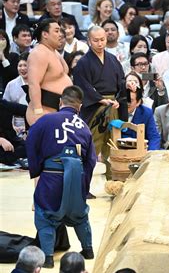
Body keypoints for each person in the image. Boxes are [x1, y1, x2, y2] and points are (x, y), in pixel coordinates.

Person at [26, 86, 96, 268]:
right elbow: (91, 161)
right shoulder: (84, 127)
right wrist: (84, 187)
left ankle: (48, 258)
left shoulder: (46, 120)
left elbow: (31, 141)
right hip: (77, 175)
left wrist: (37, 170)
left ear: (60, 102)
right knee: (80, 216)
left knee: (45, 215)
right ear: (79, 107)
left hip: (52, 176)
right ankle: (88, 250)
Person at [73, 26, 126, 179]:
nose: (100, 43)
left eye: (102, 39)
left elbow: (120, 81)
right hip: (95, 108)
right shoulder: (84, 62)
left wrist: (118, 98)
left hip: (113, 107)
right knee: (91, 146)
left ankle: (115, 180)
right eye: (95, 40)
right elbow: (82, 85)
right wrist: (99, 99)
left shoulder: (113, 59)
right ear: (89, 41)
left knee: (113, 145)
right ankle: (83, 184)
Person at [26, 19, 73, 125]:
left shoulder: (53, 51)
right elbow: (33, 84)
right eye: (56, 31)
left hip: (59, 109)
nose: (60, 34)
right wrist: (38, 111)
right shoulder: (38, 53)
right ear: (45, 34)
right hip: (45, 110)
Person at [123, 72, 161, 150]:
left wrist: (150, 154)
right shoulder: (114, 111)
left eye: (131, 101)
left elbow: (154, 137)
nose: (127, 103)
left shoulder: (146, 113)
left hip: (141, 151)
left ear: (138, 102)